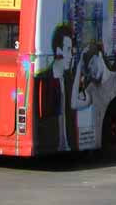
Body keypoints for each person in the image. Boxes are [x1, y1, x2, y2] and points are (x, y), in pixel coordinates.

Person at [71, 45, 116, 148]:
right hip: (101, 145)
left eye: (92, 64)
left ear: (100, 56)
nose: (92, 71)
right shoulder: (92, 88)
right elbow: (74, 104)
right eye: (89, 70)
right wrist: (78, 69)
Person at [35, 24, 76, 152]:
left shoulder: (70, 80)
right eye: (68, 50)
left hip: (68, 147)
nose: (71, 55)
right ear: (58, 51)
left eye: (72, 50)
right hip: (50, 145)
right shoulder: (43, 79)